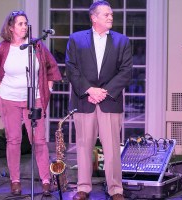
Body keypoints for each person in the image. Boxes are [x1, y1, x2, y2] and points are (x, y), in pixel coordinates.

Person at [0, 11, 62, 196]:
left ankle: (45, 180)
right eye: (20, 24)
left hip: (33, 99)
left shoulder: (37, 46)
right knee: (14, 140)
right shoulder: (1, 48)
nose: (24, 26)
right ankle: (15, 181)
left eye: (25, 23)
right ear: (10, 27)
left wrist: (47, 89)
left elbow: (52, 67)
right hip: (9, 98)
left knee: (39, 140)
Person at [65, 1, 132, 200]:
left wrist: (104, 91)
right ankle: (83, 188)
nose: (110, 17)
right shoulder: (76, 39)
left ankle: (115, 190)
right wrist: (89, 90)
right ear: (94, 18)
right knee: (84, 146)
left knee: (111, 148)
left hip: (109, 101)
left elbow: (126, 72)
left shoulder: (122, 41)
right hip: (84, 101)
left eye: (111, 14)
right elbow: (71, 68)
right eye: (106, 15)